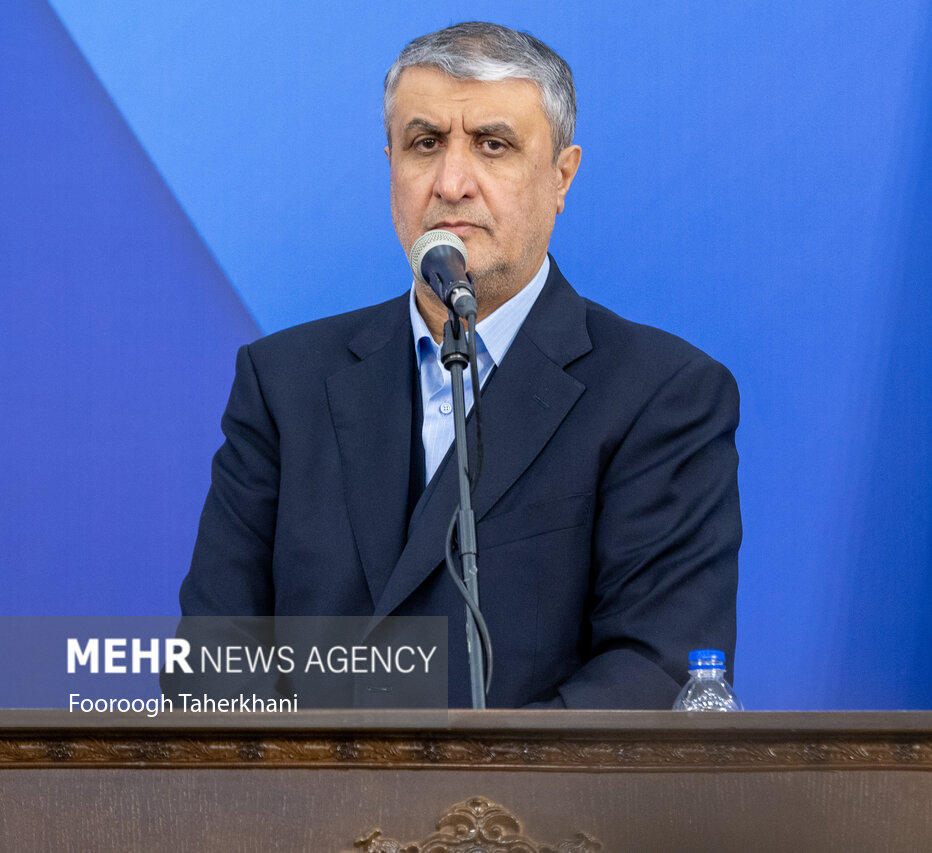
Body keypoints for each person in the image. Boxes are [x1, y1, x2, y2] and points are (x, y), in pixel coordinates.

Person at [177, 22, 741, 709]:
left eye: (492, 145)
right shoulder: (283, 383)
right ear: (391, 164)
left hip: (529, 786)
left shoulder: (661, 394)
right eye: (425, 143)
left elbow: (654, 669)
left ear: (561, 176)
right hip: (305, 783)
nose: (451, 183)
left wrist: (466, 774)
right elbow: (212, 665)